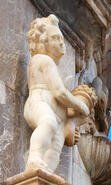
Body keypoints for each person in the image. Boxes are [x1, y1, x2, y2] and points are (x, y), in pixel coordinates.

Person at [24, 14, 91, 174]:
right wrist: (80, 106)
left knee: (56, 145)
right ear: (43, 42)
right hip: (38, 104)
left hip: (54, 112)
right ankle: (34, 159)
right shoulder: (43, 60)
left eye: (61, 38)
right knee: (48, 122)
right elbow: (59, 92)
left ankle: (46, 172)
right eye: (55, 38)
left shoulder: (54, 68)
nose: (62, 43)